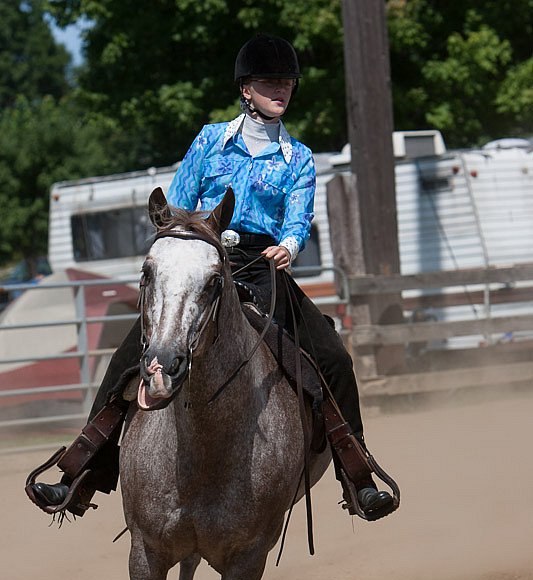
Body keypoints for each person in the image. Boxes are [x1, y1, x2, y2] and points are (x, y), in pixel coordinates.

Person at [26, 33, 397, 521]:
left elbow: (297, 218)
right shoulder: (208, 140)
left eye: (286, 83)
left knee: (332, 359)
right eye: (270, 82)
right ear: (246, 89)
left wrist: (287, 246)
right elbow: (178, 205)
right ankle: (83, 473)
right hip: (201, 262)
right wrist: (190, 241)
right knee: (127, 358)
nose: (281, 90)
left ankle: (358, 477)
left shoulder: (299, 157)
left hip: (262, 272)